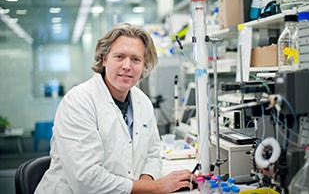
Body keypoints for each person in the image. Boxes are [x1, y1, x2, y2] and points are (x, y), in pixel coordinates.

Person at [35, 23, 195, 194]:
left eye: (136, 59)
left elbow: (153, 154)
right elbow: (86, 179)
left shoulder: (143, 102)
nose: (127, 65)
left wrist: (146, 183)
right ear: (104, 59)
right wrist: (155, 187)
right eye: (119, 57)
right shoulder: (78, 102)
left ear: (143, 65)